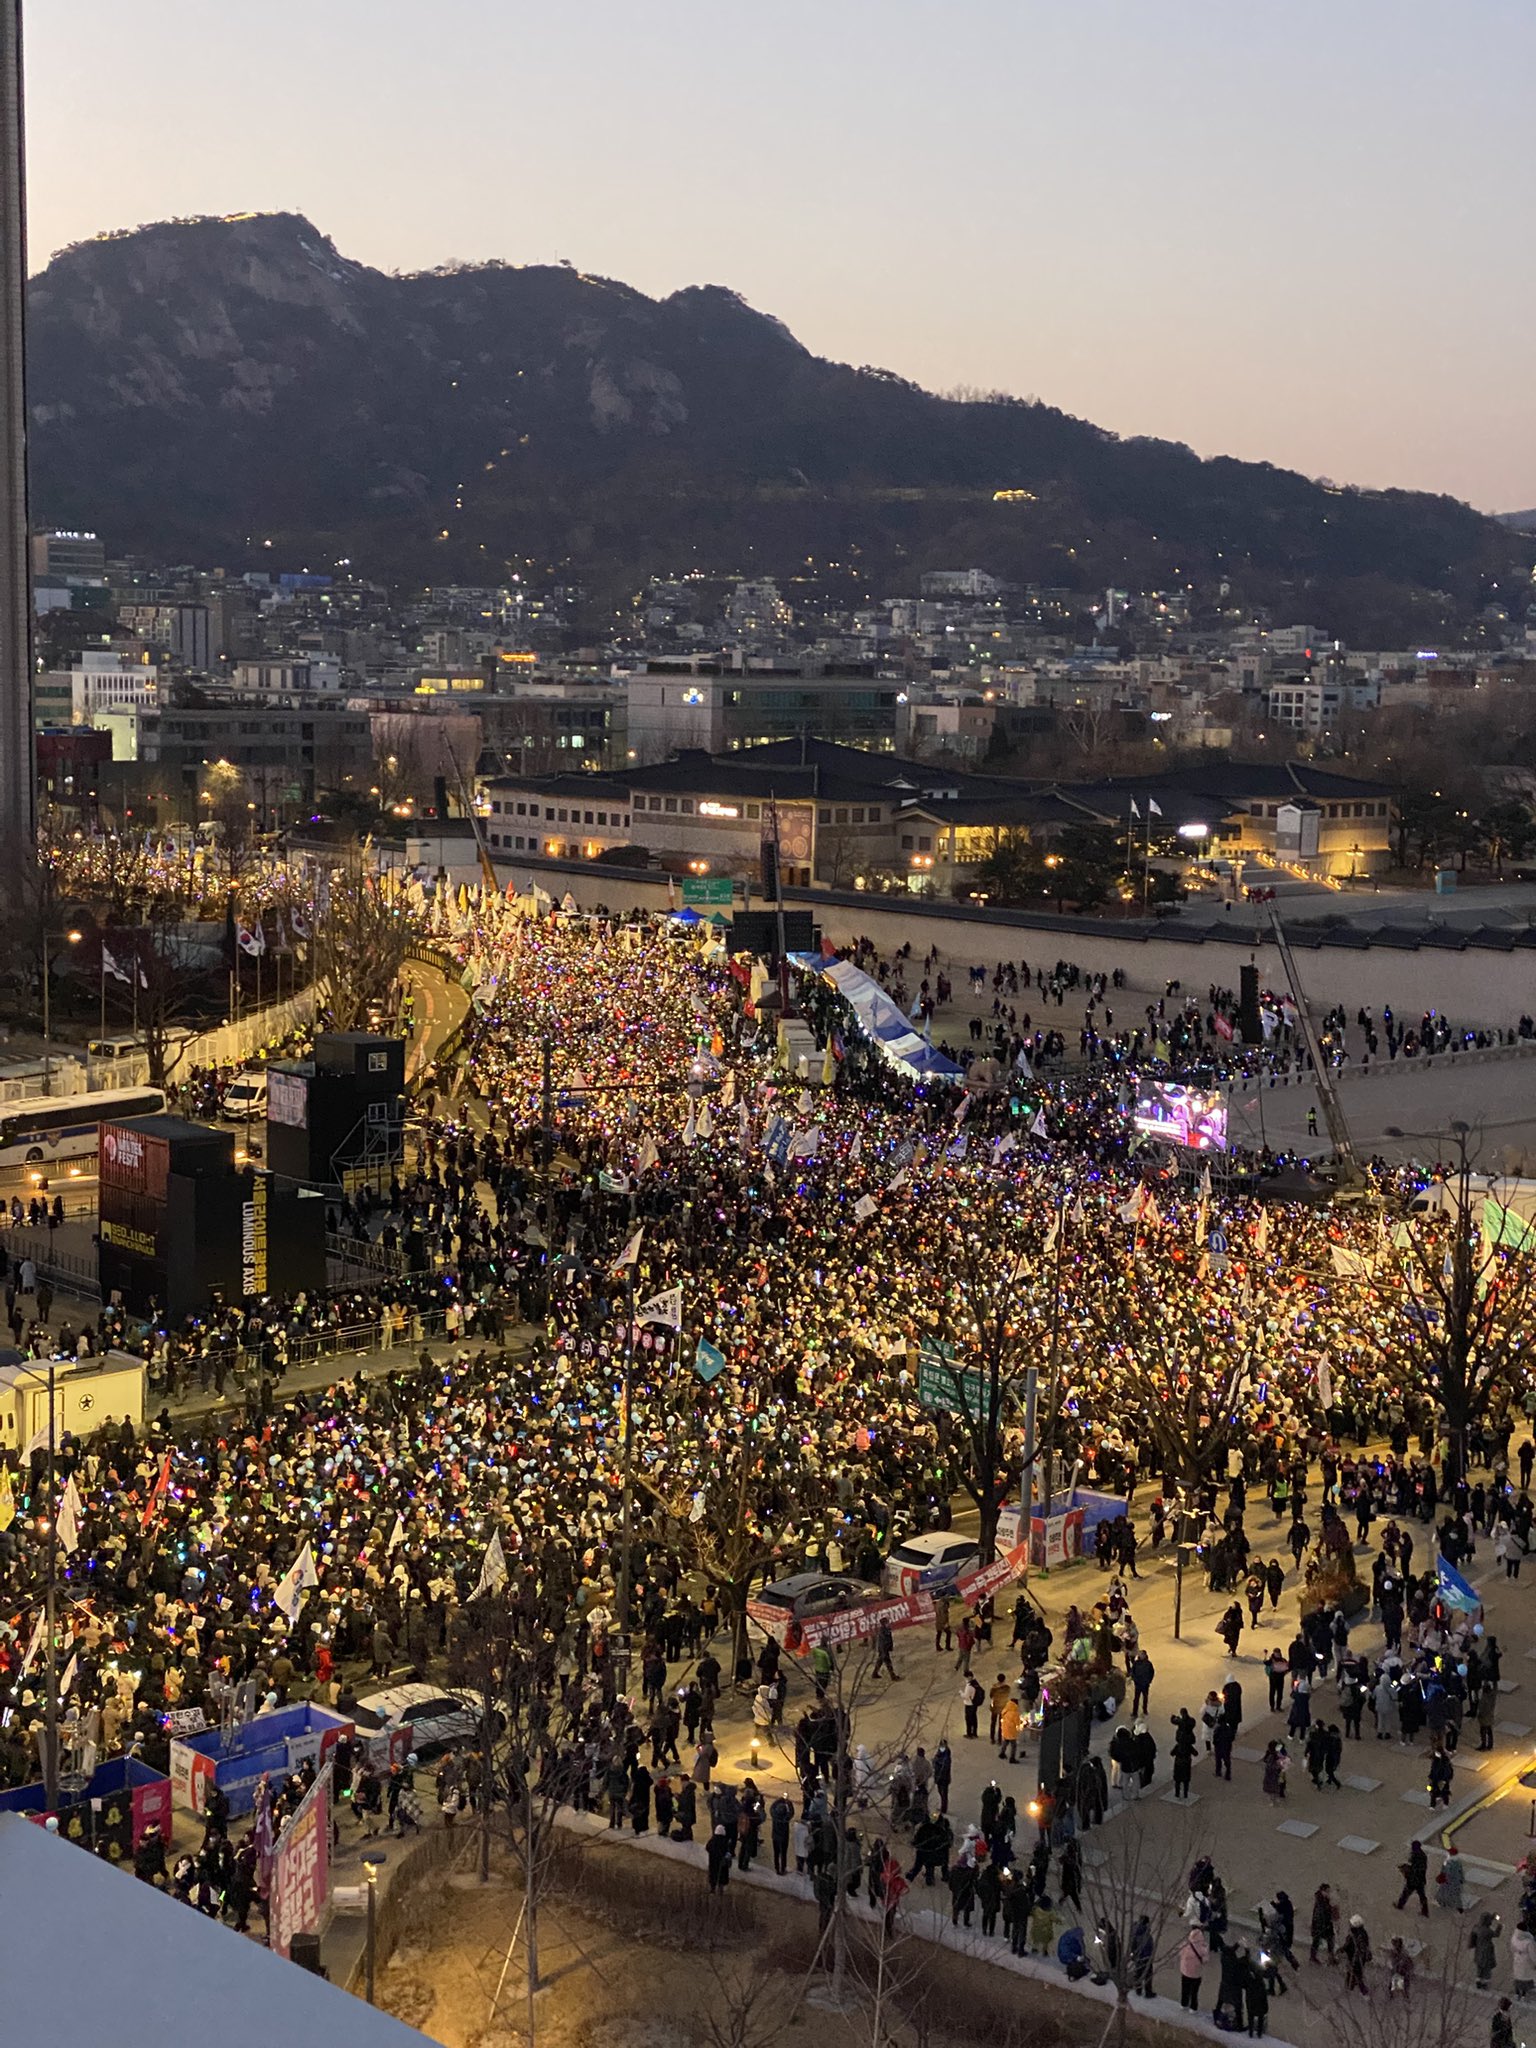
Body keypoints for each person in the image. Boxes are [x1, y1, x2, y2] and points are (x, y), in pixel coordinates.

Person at [1395, 1840, 1429, 1916]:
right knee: (1422, 1895)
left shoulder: (1415, 1856)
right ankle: (1425, 1911)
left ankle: (1400, 1906)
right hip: (1421, 1880)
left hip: (1413, 1880)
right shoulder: (1423, 1856)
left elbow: (1414, 1868)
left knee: (1406, 1893)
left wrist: (1406, 1869)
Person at [1179, 1924, 1209, 2011]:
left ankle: (1183, 2004)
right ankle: (1193, 2007)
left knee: (1185, 1989)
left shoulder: (1186, 1946)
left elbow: (1180, 1953)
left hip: (1185, 1972)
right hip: (1196, 1974)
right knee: (1194, 1992)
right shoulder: (1203, 1948)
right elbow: (1205, 1961)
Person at [1471, 1911, 1502, 1991]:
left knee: (1480, 1967)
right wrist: (1499, 1926)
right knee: (1487, 1969)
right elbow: (1496, 1934)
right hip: (1487, 1951)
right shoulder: (1487, 1931)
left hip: (1478, 1950)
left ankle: (1478, 1981)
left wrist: (1492, 1916)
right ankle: (1484, 1984)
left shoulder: (1477, 1928)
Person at [1342, 1914, 1371, 1994]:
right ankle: (1350, 1985)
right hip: (1359, 1957)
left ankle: (1360, 1989)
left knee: (1355, 1973)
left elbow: (1349, 1945)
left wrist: (1342, 1949)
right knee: (1354, 1972)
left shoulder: (1354, 1936)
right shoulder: (1363, 1934)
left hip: (1355, 1958)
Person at [1310, 1883, 1339, 1964]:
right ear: (1323, 1891)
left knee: (1328, 1941)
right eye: (1327, 1891)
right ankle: (1314, 1957)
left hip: (1324, 1925)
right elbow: (1322, 1913)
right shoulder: (1320, 1901)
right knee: (1318, 1941)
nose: (1328, 1893)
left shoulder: (1323, 1899)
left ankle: (1329, 1958)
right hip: (1321, 1925)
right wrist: (1331, 1909)